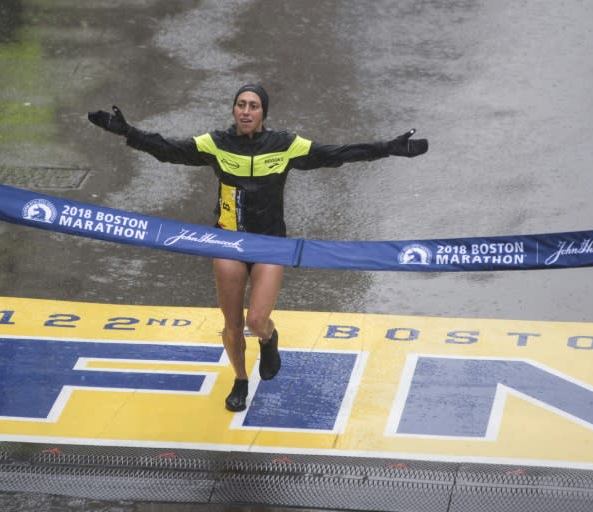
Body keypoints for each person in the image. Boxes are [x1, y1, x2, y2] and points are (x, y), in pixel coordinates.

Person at [88, 84, 427, 412]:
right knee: (232, 323)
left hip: (269, 245)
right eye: (241, 105)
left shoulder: (284, 144)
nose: (246, 111)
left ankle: (268, 340)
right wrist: (126, 132)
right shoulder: (216, 143)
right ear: (233, 110)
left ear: (264, 113)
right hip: (227, 241)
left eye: (253, 106)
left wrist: (387, 148)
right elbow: (169, 150)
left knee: (258, 319)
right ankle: (239, 379)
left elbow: (334, 154)